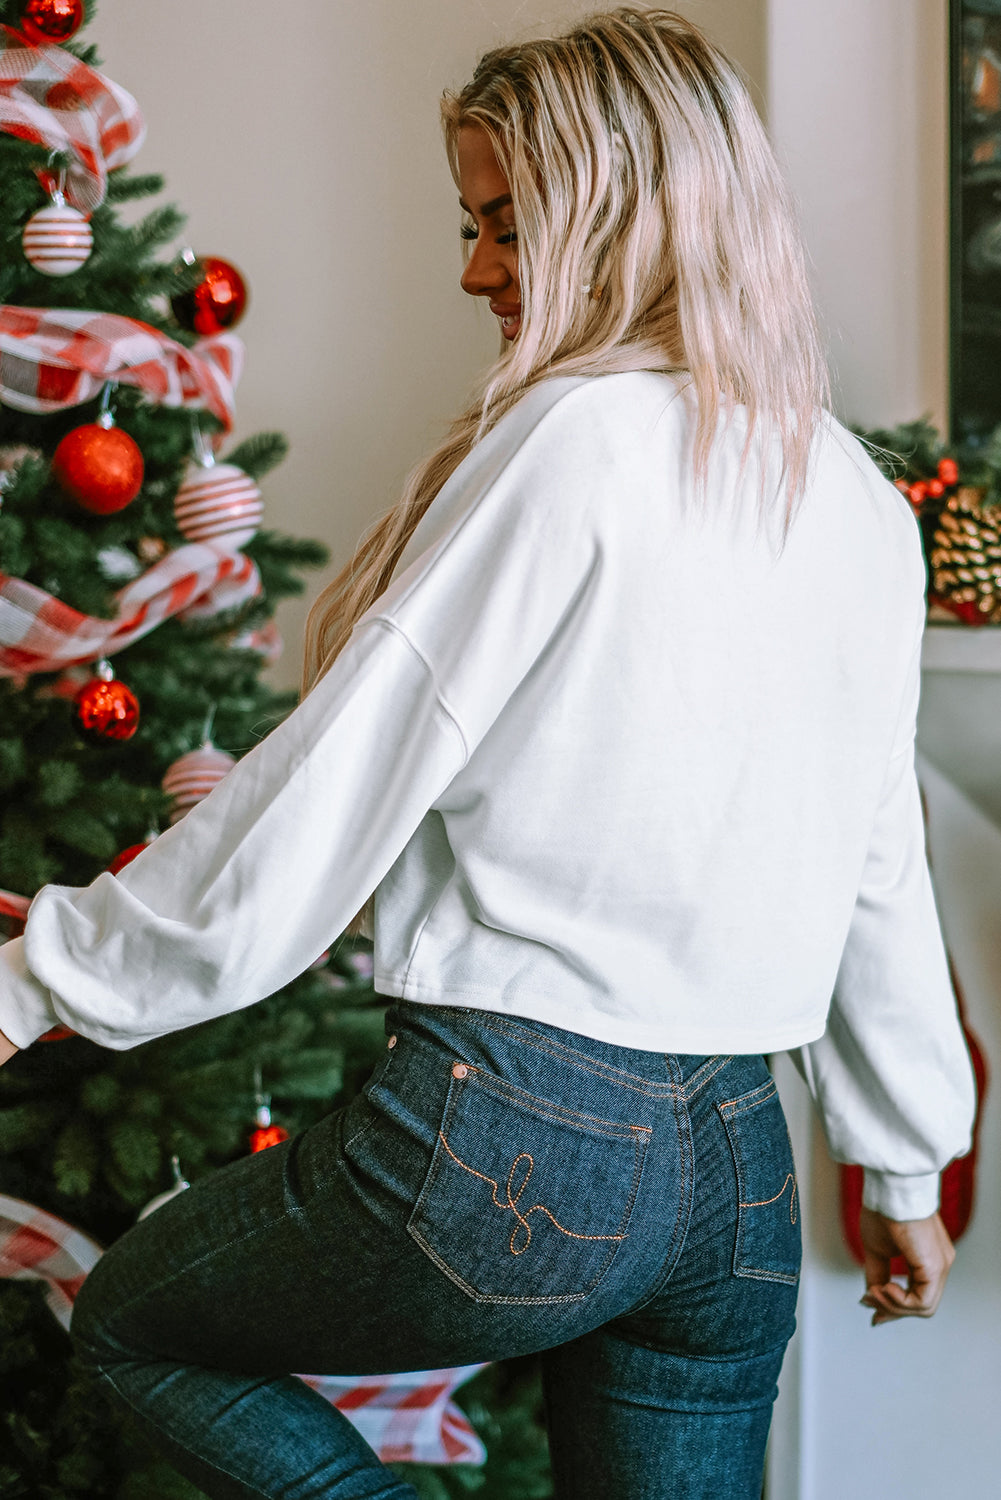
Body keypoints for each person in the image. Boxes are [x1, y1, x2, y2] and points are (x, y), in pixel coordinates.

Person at [0, 8, 976, 1498]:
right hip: (737, 1172)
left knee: (143, 1324)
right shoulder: (841, 490)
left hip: (510, 1148)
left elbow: (337, 779)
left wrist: (36, 980)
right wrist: (904, 1162)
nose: (474, 271)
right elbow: (874, 850)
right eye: (472, 225)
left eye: (509, 224)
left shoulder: (574, 443)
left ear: (623, 212)